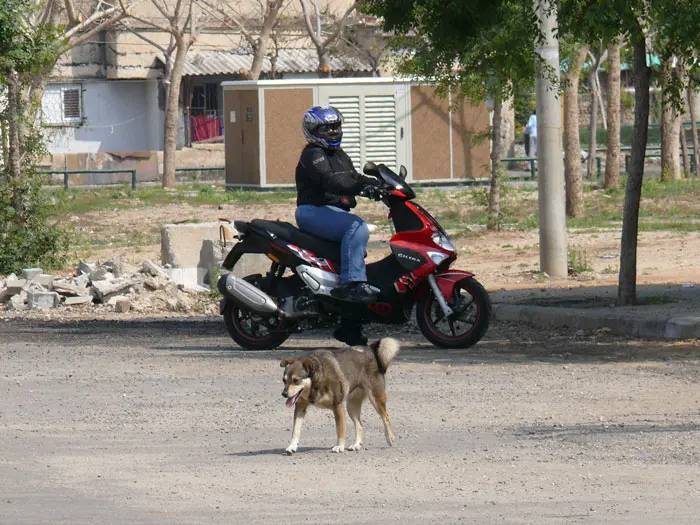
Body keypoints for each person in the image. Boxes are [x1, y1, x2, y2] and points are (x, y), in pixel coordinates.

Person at [294, 105, 381, 345]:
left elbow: (353, 177)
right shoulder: (313, 154)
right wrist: (360, 187)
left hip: (331, 212)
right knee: (357, 228)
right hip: (312, 212)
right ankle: (352, 285)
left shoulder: (340, 155)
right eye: (326, 127)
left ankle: (349, 327)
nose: (332, 131)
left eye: (335, 127)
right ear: (314, 130)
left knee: (354, 256)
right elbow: (334, 180)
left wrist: (380, 184)